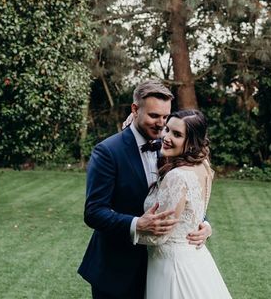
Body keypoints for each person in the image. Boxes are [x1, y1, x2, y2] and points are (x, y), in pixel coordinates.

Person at [78, 80, 212, 299]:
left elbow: (187, 192)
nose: (161, 125)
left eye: (165, 117)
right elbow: (93, 212)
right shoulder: (108, 152)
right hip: (116, 270)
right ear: (134, 110)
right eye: (153, 116)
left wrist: (204, 223)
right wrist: (136, 224)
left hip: (159, 268)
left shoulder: (170, 145)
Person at [137, 109, 232, 299]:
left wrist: (132, 229)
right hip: (195, 258)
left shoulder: (177, 176)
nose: (166, 137)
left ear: (192, 143)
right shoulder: (203, 164)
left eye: (177, 134)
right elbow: (194, 210)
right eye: (167, 129)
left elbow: (159, 236)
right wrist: (205, 225)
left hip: (172, 267)